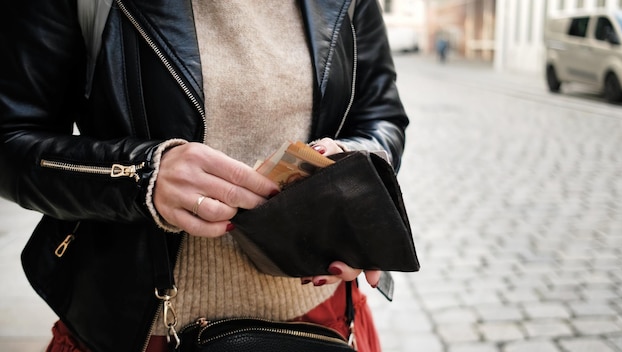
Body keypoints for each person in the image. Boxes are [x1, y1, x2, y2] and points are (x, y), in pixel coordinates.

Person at [0, 1, 409, 351]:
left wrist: (356, 180)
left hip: (326, 319)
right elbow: (11, 140)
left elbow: (380, 118)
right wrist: (141, 175)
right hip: (143, 330)